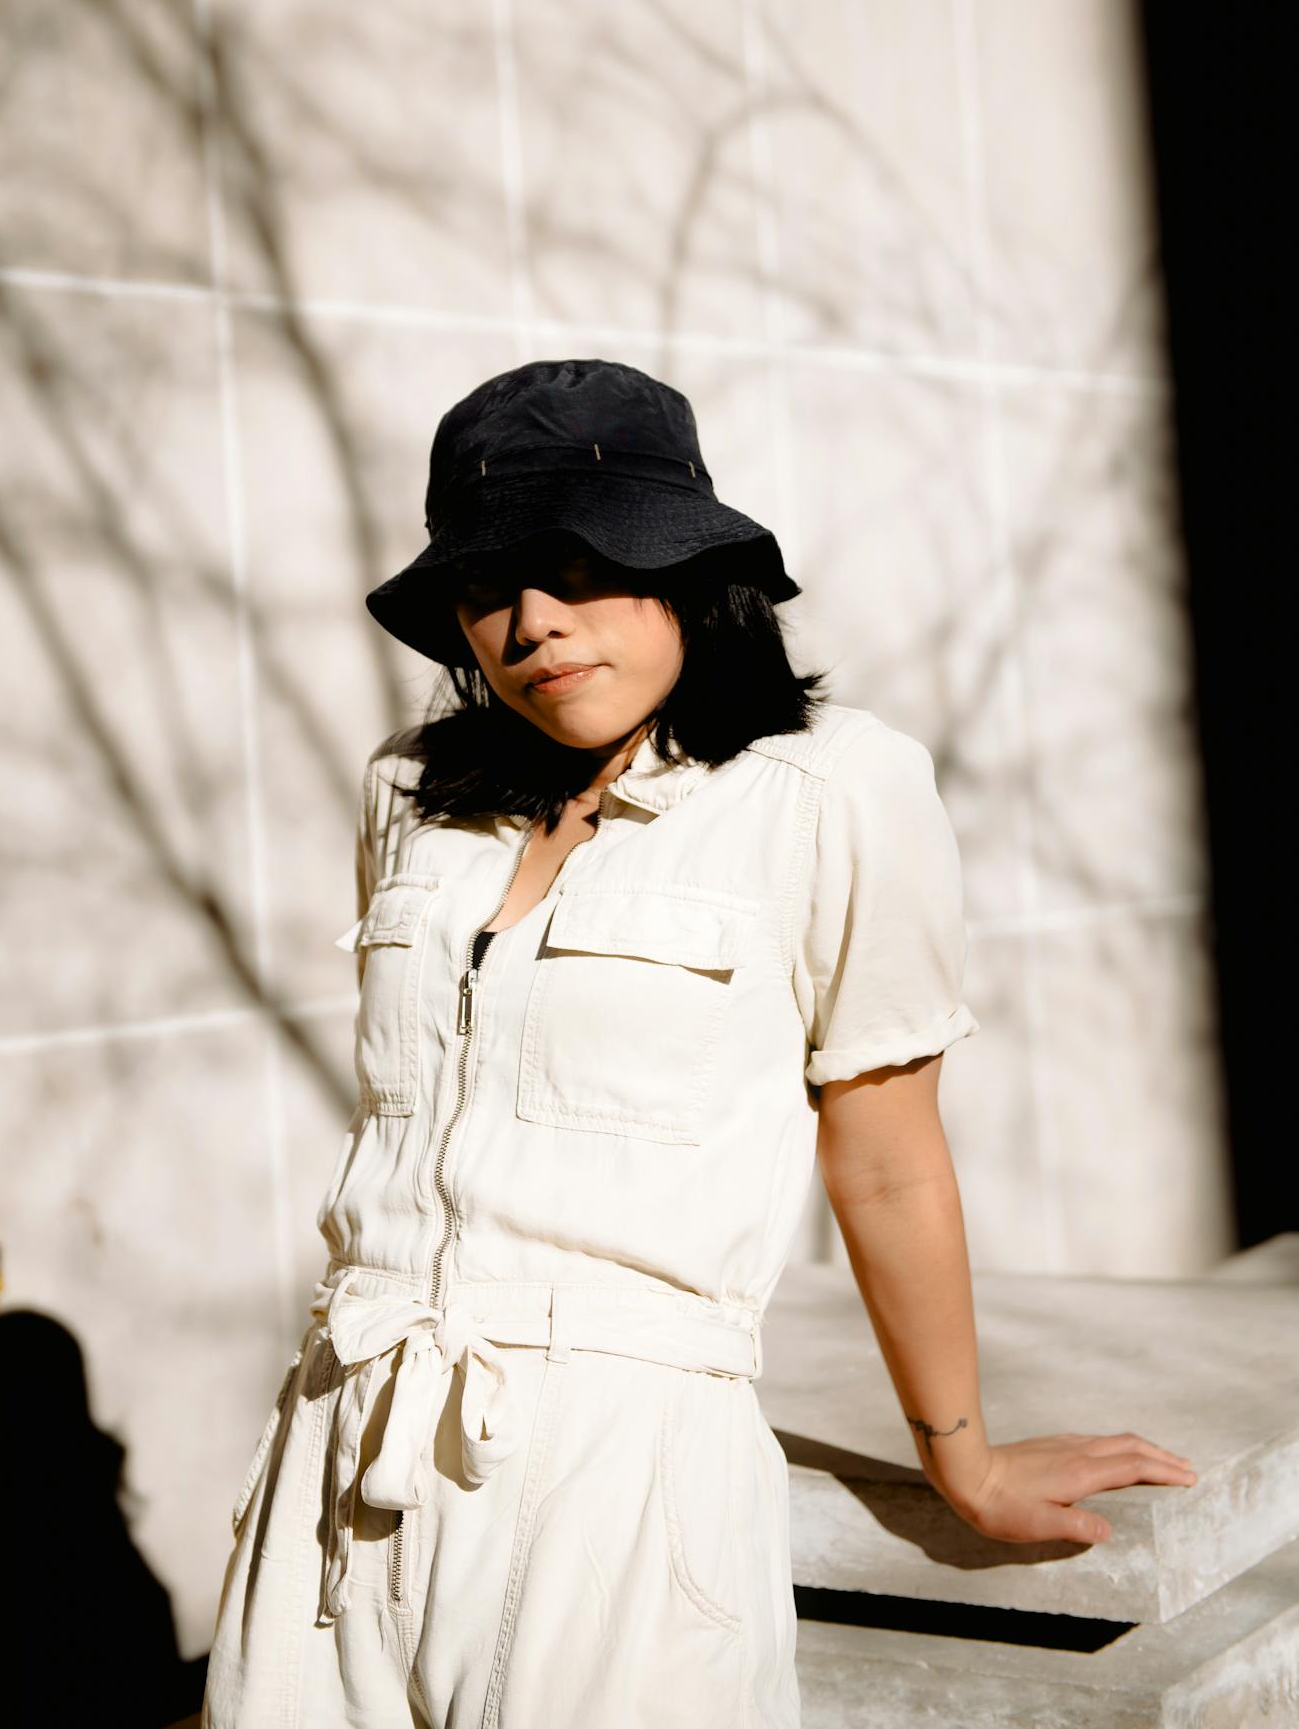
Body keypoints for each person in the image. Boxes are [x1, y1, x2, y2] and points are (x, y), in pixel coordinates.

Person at [201, 358, 1196, 1729]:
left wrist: (961, 1462)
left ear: (686, 568)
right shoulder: (410, 791)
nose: (533, 622)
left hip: (624, 1479)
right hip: (341, 1444)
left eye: (580, 567)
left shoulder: (834, 787)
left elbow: (888, 1159)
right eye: (489, 587)